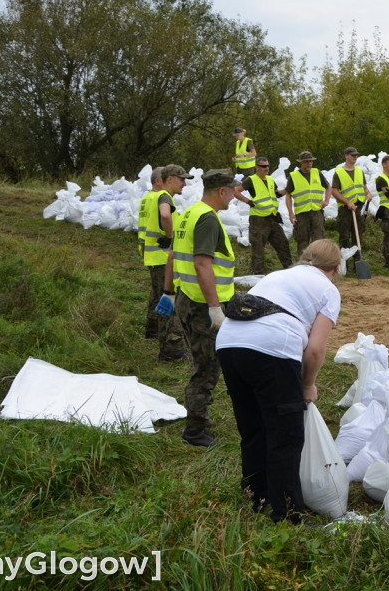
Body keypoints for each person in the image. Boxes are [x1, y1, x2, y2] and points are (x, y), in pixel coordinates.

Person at [216, 239, 342, 523]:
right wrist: (307, 385)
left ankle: (256, 495)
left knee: (253, 426)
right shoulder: (328, 290)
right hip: (272, 349)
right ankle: (287, 515)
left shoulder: (278, 276)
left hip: (228, 343)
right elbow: (315, 349)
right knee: (286, 436)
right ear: (334, 268)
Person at [158, 168, 240, 447]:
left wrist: (168, 293)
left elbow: (171, 256)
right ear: (221, 192)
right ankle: (194, 429)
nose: (234, 196)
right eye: (232, 191)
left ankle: (199, 416)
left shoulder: (189, 214)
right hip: (202, 305)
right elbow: (202, 264)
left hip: (185, 298)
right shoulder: (207, 219)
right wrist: (215, 308)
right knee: (206, 367)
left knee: (200, 361)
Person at [138, 164, 190, 361]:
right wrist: (171, 237)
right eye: (182, 179)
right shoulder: (164, 196)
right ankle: (172, 349)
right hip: (163, 256)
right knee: (171, 300)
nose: (184, 183)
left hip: (152, 254)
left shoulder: (149, 197)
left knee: (159, 297)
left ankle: (155, 333)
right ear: (170, 180)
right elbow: (166, 215)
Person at [233, 157, 293, 275]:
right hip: (258, 219)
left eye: (268, 166)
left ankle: (290, 270)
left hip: (273, 217)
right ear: (257, 167)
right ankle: (258, 275)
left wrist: (287, 190)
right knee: (258, 249)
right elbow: (236, 191)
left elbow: (276, 194)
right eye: (264, 166)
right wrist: (248, 202)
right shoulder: (251, 180)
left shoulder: (270, 179)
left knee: (283, 244)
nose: (267, 168)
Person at [286, 151, 331, 257]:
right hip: (301, 214)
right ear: (301, 162)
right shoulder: (294, 176)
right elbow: (288, 195)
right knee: (302, 242)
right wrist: (291, 213)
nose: (309, 163)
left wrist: (326, 200)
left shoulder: (317, 172)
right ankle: (303, 265)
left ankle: (319, 265)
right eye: (306, 161)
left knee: (319, 240)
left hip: (316, 212)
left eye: (311, 161)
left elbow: (328, 187)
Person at [331, 147, 372, 257]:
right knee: (344, 237)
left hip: (358, 207)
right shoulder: (339, 173)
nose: (355, 157)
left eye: (356, 155)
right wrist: (347, 203)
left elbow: (364, 187)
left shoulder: (359, 171)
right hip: (345, 209)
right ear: (346, 156)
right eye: (352, 155)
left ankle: (357, 262)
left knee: (358, 236)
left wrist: (368, 194)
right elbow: (334, 191)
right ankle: (344, 264)